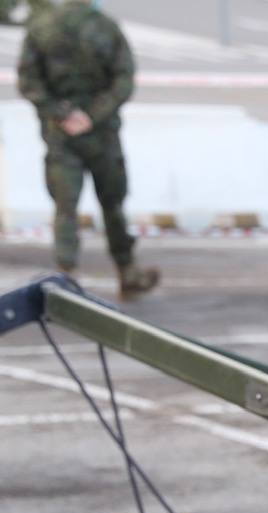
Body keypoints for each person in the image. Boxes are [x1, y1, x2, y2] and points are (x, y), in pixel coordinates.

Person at [17, 0, 159, 299]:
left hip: (61, 134)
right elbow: (123, 79)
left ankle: (64, 277)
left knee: (65, 208)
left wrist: (62, 113)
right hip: (102, 135)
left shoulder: (42, 27)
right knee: (113, 205)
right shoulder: (105, 27)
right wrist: (93, 115)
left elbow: (29, 80)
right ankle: (127, 272)